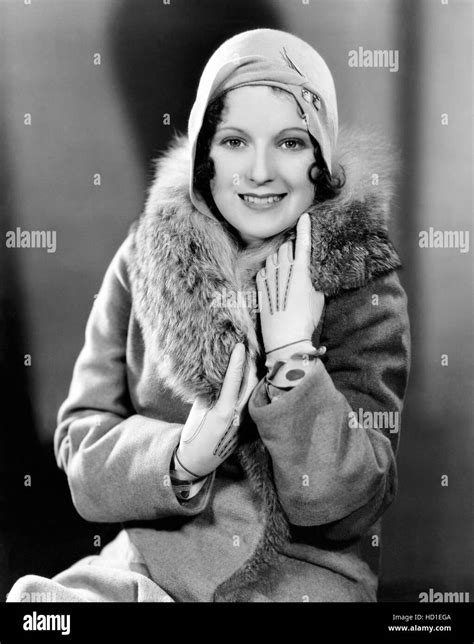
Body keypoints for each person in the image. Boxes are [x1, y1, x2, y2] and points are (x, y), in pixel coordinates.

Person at [7, 28, 410, 603]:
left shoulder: (363, 281)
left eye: (291, 143)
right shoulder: (145, 255)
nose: (261, 171)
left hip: (300, 582)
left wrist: (295, 355)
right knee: (38, 613)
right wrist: (183, 457)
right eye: (235, 141)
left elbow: (354, 506)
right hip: (146, 569)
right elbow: (82, 444)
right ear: (203, 152)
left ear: (321, 158)